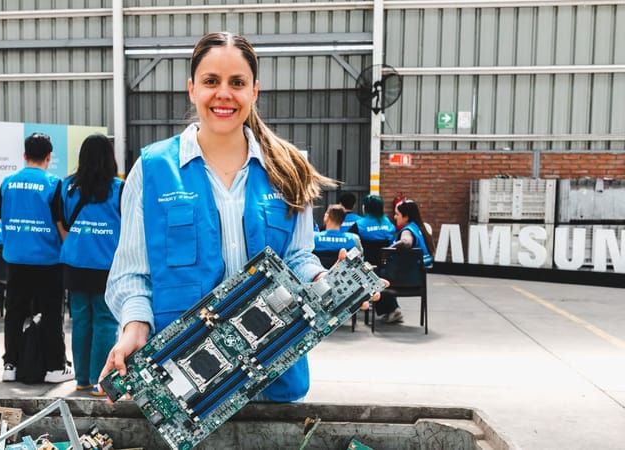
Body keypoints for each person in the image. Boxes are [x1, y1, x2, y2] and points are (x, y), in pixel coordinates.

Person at [102, 31, 356, 403]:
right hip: (184, 385)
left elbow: (297, 258)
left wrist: (326, 280)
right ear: (192, 89)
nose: (224, 93)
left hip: (274, 376)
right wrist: (134, 327)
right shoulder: (154, 169)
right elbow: (132, 274)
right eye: (211, 81)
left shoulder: (288, 168)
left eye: (237, 82)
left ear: (254, 91)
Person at [0, 132, 73, 384]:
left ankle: (11, 365)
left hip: (16, 259)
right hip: (47, 260)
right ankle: (54, 367)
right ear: (49, 157)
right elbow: (59, 221)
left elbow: (1, 215)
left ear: (24, 155)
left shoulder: (7, 183)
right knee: (51, 313)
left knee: (15, 312)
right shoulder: (54, 184)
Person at [59, 134, 122, 396]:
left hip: (74, 263)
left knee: (81, 319)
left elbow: (61, 221)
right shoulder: (119, 188)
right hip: (106, 264)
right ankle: (101, 381)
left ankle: (82, 378)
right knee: (105, 321)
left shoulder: (67, 187)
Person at [374, 199, 435, 323]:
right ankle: (392, 310)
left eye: (397, 214)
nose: (395, 217)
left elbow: (406, 242)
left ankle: (392, 310)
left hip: (401, 278)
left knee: (372, 275)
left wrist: (388, 250)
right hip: (417, 279)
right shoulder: (419, 228)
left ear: (406, 216)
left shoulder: (407, 231)